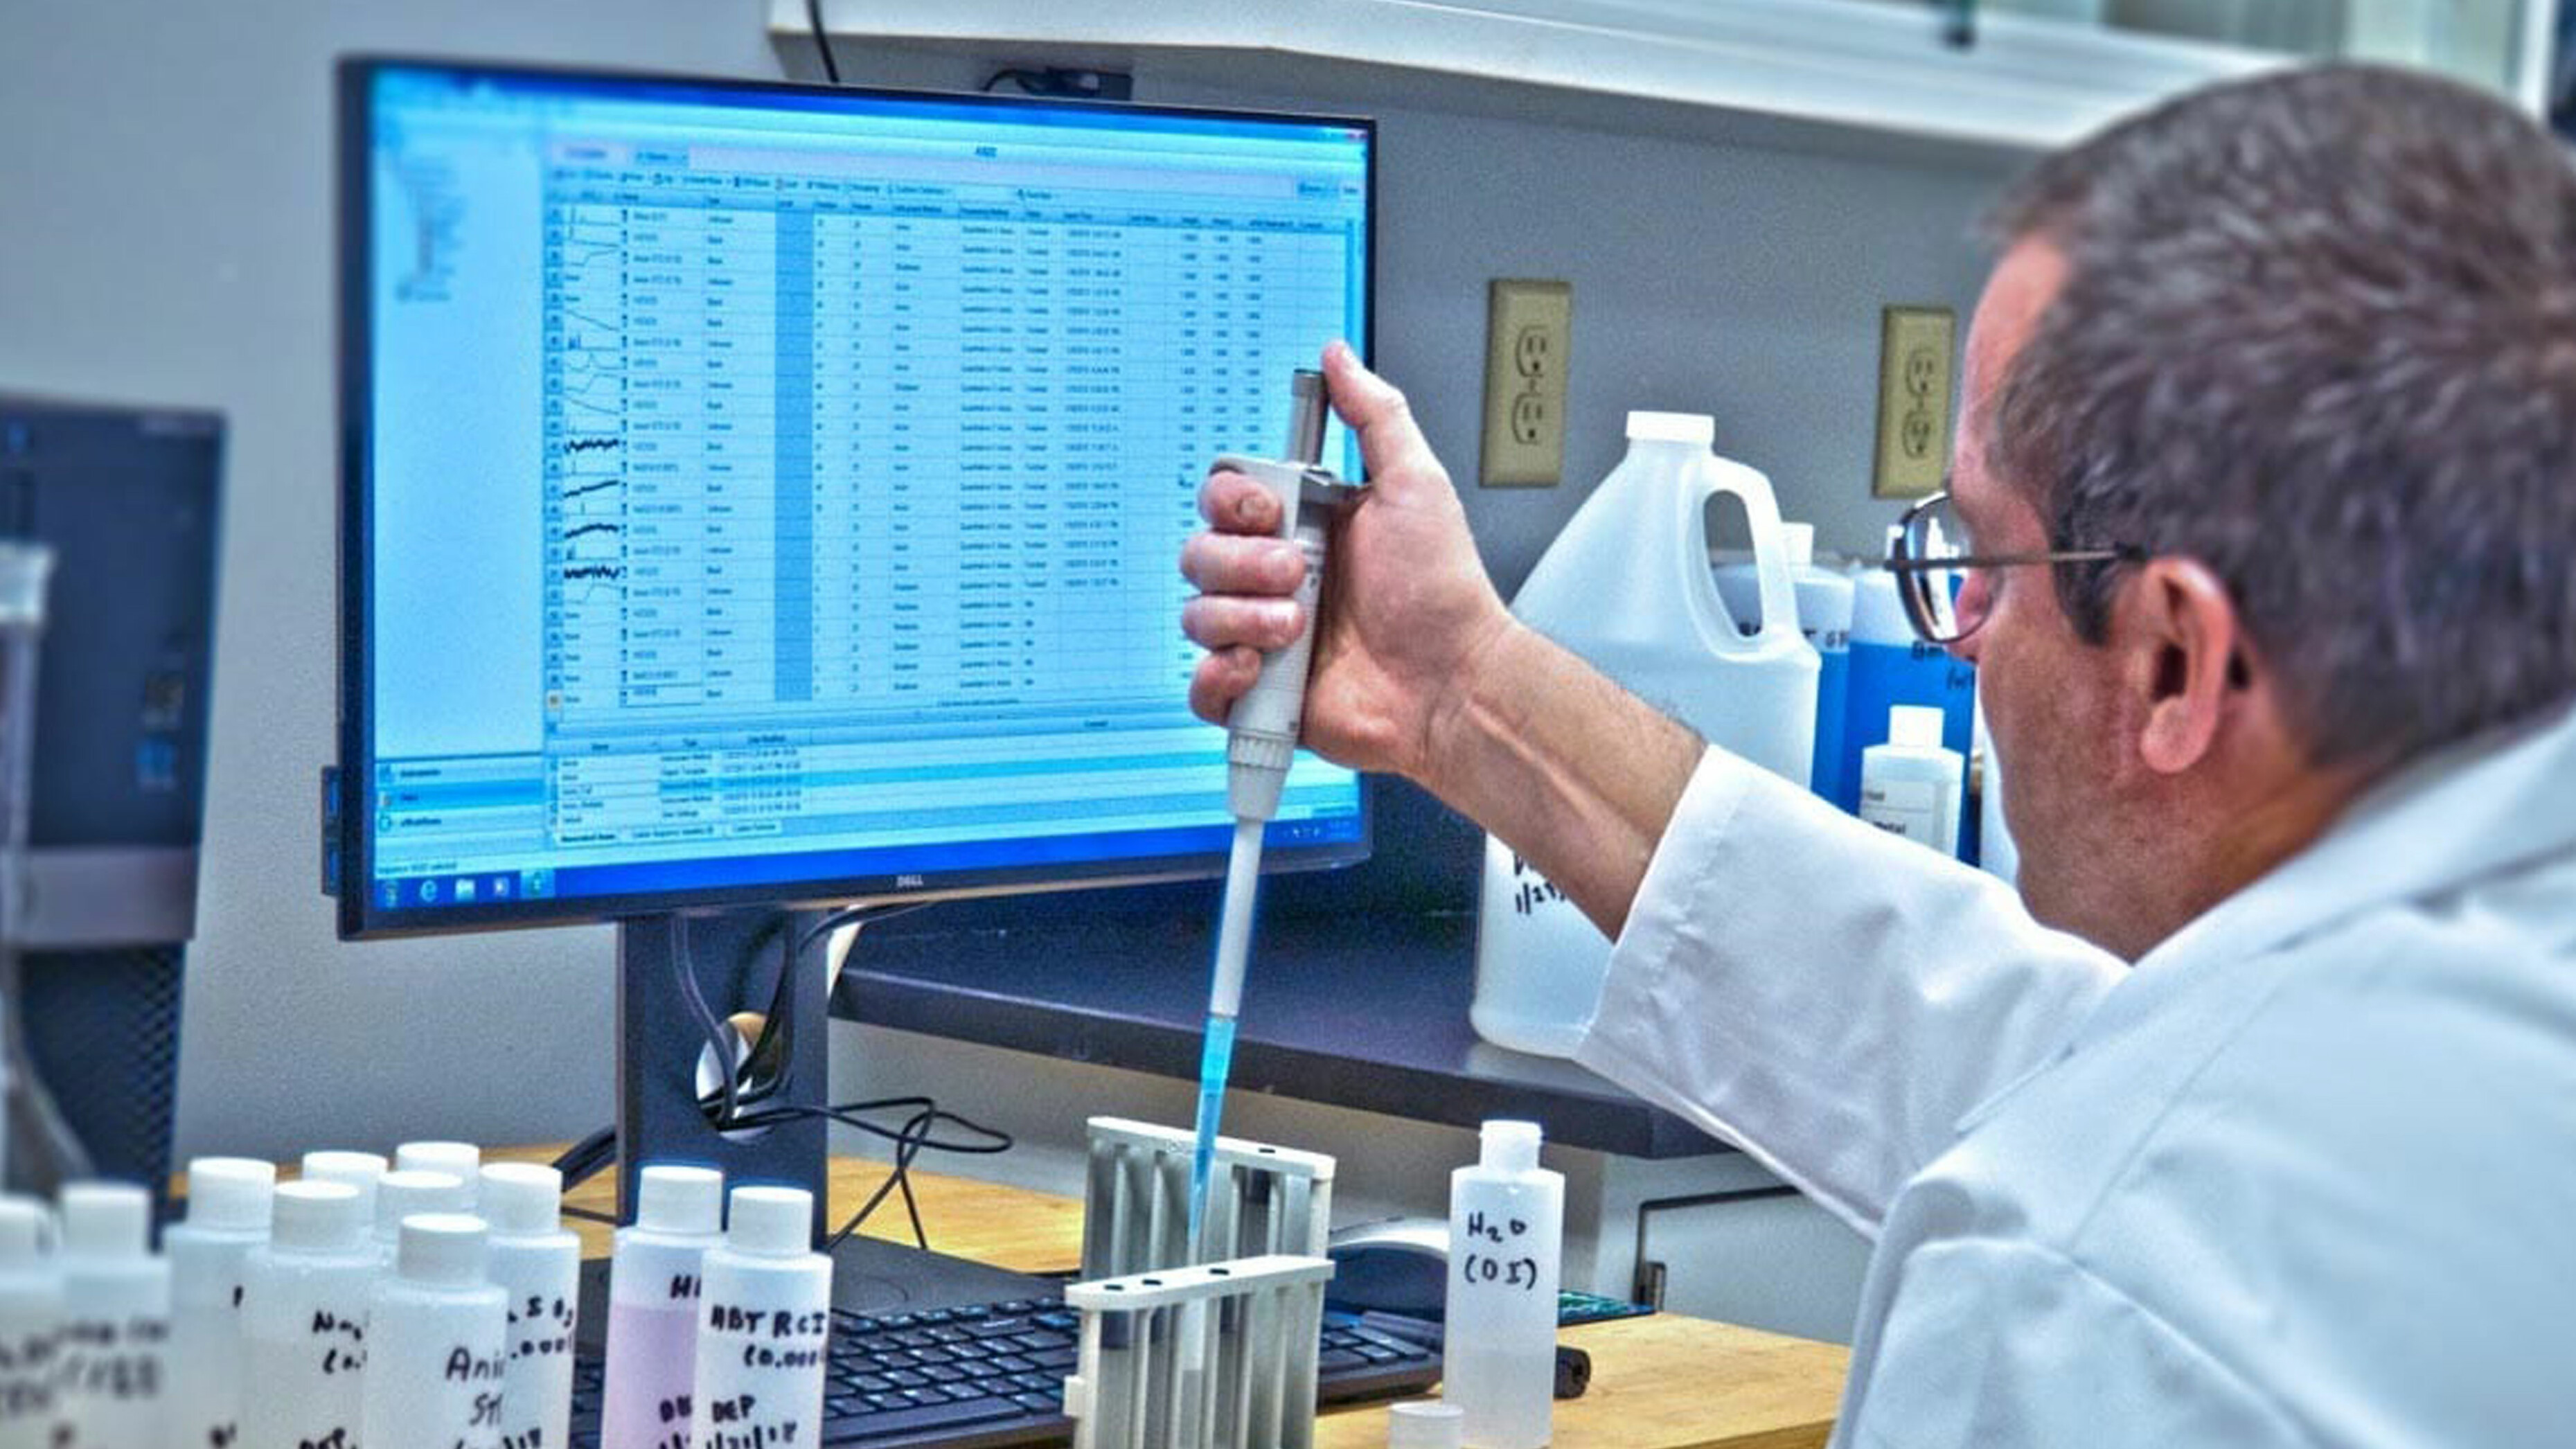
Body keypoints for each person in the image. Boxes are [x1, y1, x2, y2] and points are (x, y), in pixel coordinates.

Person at [1181, 65, 2576, 1447]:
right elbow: (2044, 1047)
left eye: (1987, 558)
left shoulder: (2097, 1291)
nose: (1959, 633)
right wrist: (1460, 692)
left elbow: (2117, 1164)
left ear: (2176, 660)